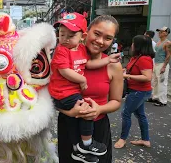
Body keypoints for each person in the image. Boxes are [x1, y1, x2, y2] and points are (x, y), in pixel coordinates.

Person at [49, 13, 121, 163]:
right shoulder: (64, 57)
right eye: (97, 34)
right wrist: (69, 111)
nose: (100, 41)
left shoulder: (113, 66)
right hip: (69, 126)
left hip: (98, 127)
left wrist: (99, 110)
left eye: (108, 38)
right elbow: (51, 95)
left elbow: (116, 101)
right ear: (86, 33)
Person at [114, 35, 154, 149]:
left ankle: (122, 139)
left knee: (126, 113)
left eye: (133, 43)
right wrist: (123, 71)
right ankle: (145, 140)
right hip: (137, 91)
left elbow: (147, 77)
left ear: (138, 45)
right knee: (140, 114)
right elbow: (133, 70)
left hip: (139, 91)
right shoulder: (136, 57)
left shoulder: (144, 59)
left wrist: (127, 75)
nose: (131, 45)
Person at [148, 26, 171, 106]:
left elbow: (168, 55)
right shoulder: (158, 42)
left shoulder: (167, 43)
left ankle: (162, 101)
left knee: (162, 82)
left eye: (162, 32)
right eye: (159, 32)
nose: (159, 33)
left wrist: (164, 66)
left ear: (166, 33)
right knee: (154, 81)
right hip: (156, 63)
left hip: (162, 64)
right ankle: (154, 97)